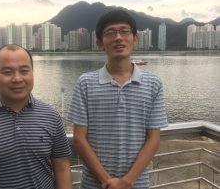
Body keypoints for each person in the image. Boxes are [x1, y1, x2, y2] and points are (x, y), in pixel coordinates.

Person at [67, 10, 168, 189]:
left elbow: (153, 138)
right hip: (94, 184)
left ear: (135, 38)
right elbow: (79, 139)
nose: (118, 38)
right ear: (99, 42)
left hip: (136, 183)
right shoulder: (86, 83)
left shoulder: (154, 83)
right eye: (110, 33)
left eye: (124, 31)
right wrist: (107, 181)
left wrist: (127, 181)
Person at [0, 44, 72, 189]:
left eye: (24, 71)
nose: (17, 79)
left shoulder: (51, 117)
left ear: (32, 73)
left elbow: (62, 168)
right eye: (7, 72)